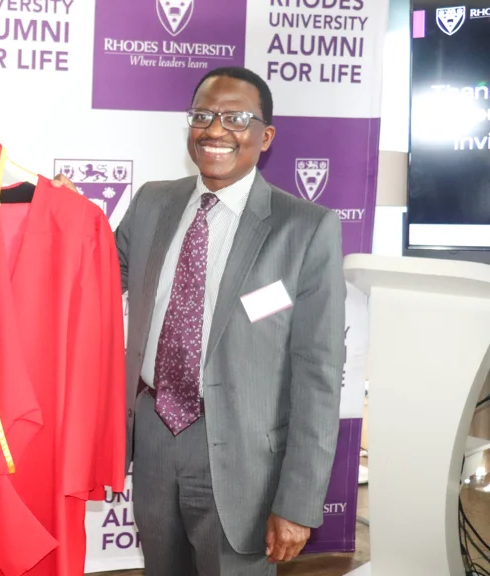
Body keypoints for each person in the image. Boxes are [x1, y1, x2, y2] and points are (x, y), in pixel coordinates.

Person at [52, 66, 345, 574]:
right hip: (154, 438)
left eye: (236, 117)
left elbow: (318, 376)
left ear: (265, 136)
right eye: (203, 115)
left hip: (245, 462)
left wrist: (297, 502)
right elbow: (95, 277)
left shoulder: (305, 229)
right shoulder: (152, 202)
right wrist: (69, 219)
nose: (215, 130)